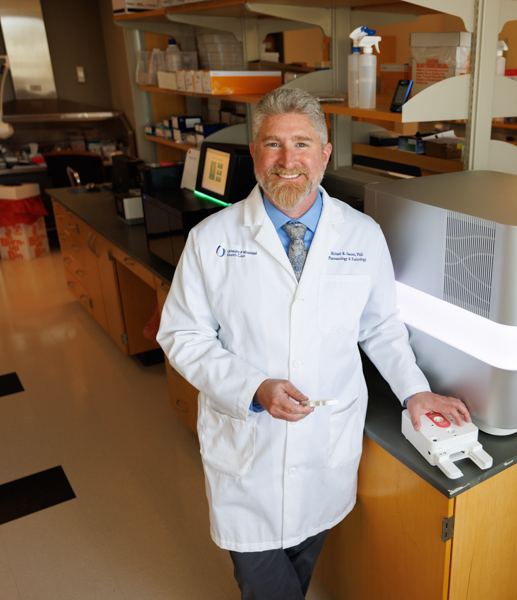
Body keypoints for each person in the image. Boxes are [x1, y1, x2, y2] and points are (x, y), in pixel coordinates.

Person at [156, 87, 470, 600]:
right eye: (273, 144)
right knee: (262, 578)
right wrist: (254, 387)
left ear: (325, 154)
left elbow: (381, 326)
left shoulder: (362, 235)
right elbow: (182, 334)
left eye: (302, 144)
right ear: (255, 153)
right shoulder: (212, 238)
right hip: (248, 449)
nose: (287, 160)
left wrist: (416, 392)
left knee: (301, 564)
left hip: (326, 439)